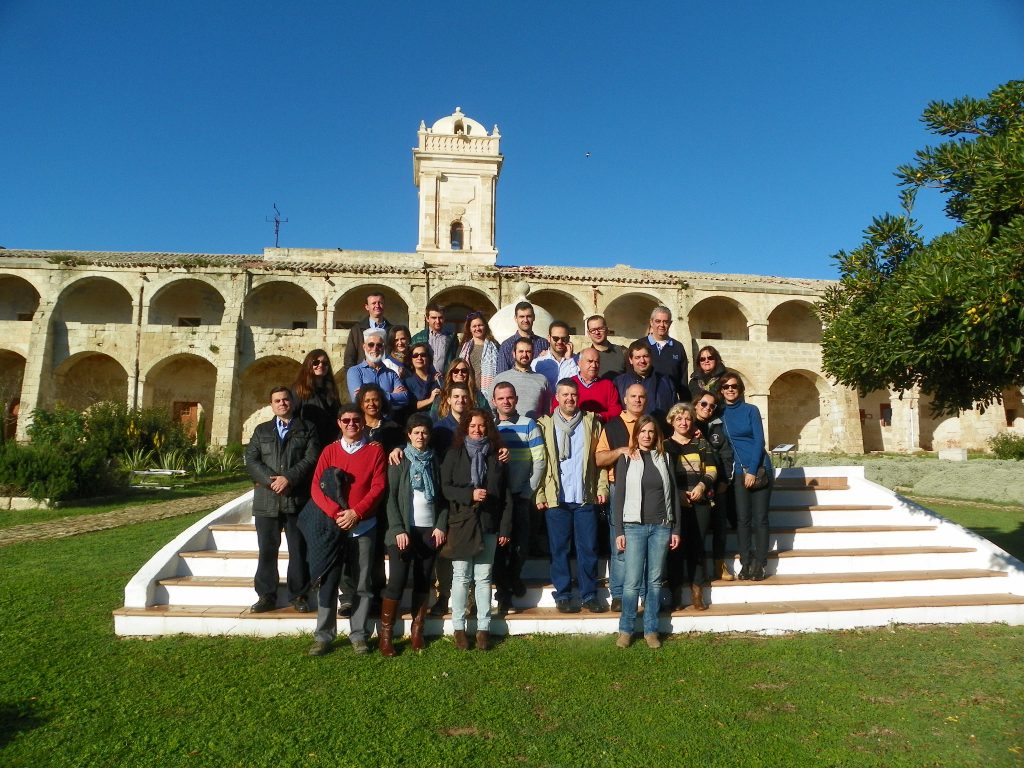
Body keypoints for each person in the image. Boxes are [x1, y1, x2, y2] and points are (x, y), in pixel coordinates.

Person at [303, 404, 387, 656]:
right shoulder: (329, 451)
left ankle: (359, 634)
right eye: (346, 420)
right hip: (333, 526)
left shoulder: (374, 452)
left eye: (356, 420)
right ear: (339, 423)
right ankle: (323, 635)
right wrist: (336, 513)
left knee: (362, 583)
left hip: (364, 526)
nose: (352, 424)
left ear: (364, 423)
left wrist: (356, 513)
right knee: (329, 582)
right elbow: (316, 487)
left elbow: (379, 486)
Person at [440, 408, 512, 651]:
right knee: (460, 576)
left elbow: (505, 494)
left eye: (481, 426)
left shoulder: (497, 456)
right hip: (461, 522)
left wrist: (504, 527)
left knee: (483, 578)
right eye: (472, 426)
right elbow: (445, 489)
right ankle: (458, 628)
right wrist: (469, 494)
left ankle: (483, 629)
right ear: (465, 429)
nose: (477, 430)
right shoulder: (454, 454)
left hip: (488, 522)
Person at [244, 386, 320, 614]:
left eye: (286, 400)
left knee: (298, 549)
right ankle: (266, 594)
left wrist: (288, 478)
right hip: (267, 501)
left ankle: (299, 594)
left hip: (296, 499)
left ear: (292, 402)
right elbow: (251, 459)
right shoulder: (261, 431)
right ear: (272, 405)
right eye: (277, 400)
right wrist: (272, 481)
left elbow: (311, 458)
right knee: (267, 549)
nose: (282, 404)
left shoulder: (307, 428)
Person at [536, 379, 609, 614]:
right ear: (557, 397)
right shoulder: (544, 425)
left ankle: (589, 595)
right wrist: (539, 493)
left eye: (573, 395)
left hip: (584, 496)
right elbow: (539, 463)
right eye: (565, 394)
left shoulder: (591, 423)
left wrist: (601, 488)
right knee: (559, 549)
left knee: (588, 548)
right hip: (556, 497)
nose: (570, 399)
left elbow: (599, 460)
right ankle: (564, 594)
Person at [379, 414, 447, 656]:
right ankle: (385, 637)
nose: (420, 436)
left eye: (424, 432)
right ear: (408, 435)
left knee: (423, 581)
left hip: (429, 531)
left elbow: (443, 499)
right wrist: (397, 529)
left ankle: (417, 632)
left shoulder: (435, 460)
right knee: (396, 581)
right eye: (416, 432)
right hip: (403, 532)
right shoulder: (398, 461)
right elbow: (391, 499)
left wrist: (440, 525)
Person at [612, 415, 680, 649]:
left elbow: (673, 495)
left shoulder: (666, 458)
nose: (647, 435)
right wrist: (619, 530)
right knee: (631, 582)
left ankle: (651, 630)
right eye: (643, 431)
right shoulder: (627, 459)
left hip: (661, 526)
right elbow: (619, 496)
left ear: (656, 435)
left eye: (651, 431)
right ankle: (626, 629)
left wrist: (675, 527)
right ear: (636, 434)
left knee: (654, 581)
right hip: (634, 526)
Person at [492, 382, 546, 615]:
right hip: (497, 499)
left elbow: (540, 461)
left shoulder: (528, 425)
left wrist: (528, 491)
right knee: (499, 549)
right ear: (494, 401)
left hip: (520, 495)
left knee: (521, 546)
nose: (505, 402)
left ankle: (513, 579)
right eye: (501, 398)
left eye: (509, 398)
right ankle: (505, 596)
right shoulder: (489, 427)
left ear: (515, 399)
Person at [595, 383, 648, 611]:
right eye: (633, 396)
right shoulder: (612, 426)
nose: (637, 400)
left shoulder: (651, 425)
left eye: (641, 397)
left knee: (645, 540)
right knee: (619, 540)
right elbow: (598, 459)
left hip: (647, 488)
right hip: (619, 487)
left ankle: (645, 594)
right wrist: (619, 452)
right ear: (625, 400)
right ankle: (618, 594)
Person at [719, 371, 773, 581]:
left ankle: (760, 563)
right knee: (742, 520)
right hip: (738, 472)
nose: (730, 389)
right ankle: (746, 563)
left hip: (759, 469)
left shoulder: (751, 410)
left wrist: (751, 470)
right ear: (721, 391)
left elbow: (759, 441)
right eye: (726, 387)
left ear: (740, 389)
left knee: (760, 519)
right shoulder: (720, 413)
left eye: (734, 386)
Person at [664, 402, 717, 611]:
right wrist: (677, 493)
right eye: (679, 419)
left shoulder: (702, 444)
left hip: (700, 501)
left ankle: (697, 592)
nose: (683, 422)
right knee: (675, 548)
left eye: (687, 418)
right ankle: (675, 594)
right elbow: (664, 475)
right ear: (672, 422)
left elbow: (712, 469)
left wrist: (702, 486)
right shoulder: (665, 446)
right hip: (676, 502)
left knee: (697, 547)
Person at [693, 388, 736, 580]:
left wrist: (725, 480)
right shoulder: (688, 424)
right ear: (696, 404)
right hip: (693, 485)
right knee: (696, 529)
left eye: (712, 405)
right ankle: (696, 570)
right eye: (704, 404)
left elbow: (726, 454)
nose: (707, 408)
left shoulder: (717, 427)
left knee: (720, 525)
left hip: (717, 483)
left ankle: (720, 564)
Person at [635, 305, 688, 403]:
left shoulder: (678, 347)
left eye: (665, 321)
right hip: (644, 403)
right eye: (658, 321)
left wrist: (686, 406)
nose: (662, 325)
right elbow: (630, 376)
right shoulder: (638, 345)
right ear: (651, 322)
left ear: (670, 323)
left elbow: (683, 382)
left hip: (670, 404)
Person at [614, 340, 675, 425]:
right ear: (631, 360)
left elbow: (674, 411)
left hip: (661, 432)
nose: (642, 361)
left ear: (651, 357)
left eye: (645, 356)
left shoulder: (665, 382)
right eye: (637, 357)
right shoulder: (619, 383)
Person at [490, 337, 551, 420]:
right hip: (506, 430)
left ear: (533, 354)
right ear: (514, 354)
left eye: (528, 352)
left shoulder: (542, 380)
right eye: (521, 351)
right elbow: (491, 409)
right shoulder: (500, 379)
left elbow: (547, 412)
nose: (524, 355)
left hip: (534, 430)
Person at [346, 328, 408, 408]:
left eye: (379, 345)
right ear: (364, 347)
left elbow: (405, 398)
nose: (375, 349)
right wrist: (391, 395)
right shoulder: (355, 371)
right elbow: (357, 399)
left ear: (384, 348)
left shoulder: (391, 373)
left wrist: (367, 395)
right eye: (371, 345)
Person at [555, 347, 621, 421]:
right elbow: (555, 408)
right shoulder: (568, 385)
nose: (594, 365)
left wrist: (599, 417)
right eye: (590, 361)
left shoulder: (608, 385)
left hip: (600, 428)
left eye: (597, 362)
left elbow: (616, 411)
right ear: (579, 363)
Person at [291, 349, 340, 447]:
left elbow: (338, 414)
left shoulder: (331, 389)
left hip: (330, 441)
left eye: (325, 363)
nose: (320, 365)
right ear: (309, 364)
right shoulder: (299, 389)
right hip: (309, 442)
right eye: (316, 362)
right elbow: (292, 415)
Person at [496, 300, 549, 374]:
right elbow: (502, 375)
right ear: (515, 318)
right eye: (522, 317)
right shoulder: (506, 346)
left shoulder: (544, 344)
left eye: (529, 316)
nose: (525, 320)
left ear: (533, 317)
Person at [344, 291, 391, 370]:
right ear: (367, 307)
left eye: (380, 303)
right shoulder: (356, 330)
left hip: (386, 376)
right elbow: (349, 359)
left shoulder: (392, 330)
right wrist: (352, 379)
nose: (377, 306)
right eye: (373, 303)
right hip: (364, 377)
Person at [457, 310, 500, 394]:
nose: (477, 328)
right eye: (474, 326)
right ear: (469, 328)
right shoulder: (463, 348)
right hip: (467, 391)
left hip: (487, 392)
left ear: (485, 326)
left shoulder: (495, 346)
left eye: (480, 325)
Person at [411, 302, 458, 375]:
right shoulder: (417, 338)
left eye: (440, 318)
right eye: (434, 318)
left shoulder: (452, 338)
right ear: (427, 318)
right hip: (423, 381)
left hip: (444, 381)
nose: (438, 321)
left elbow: (455, 360)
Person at [531, 320, 579, 390]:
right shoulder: (537, 362)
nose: (559, 342)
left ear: (568, 339)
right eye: (555, 338)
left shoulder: (576, 361)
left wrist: (570, 360)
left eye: (563, 339)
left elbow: (578, 384)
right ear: (549, 338)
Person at [402, 342, 443, 416]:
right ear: (411, 359)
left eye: (423, 355)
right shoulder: (408, 382)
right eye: (415, 355)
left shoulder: (438, 379)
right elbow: (411, 406)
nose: (419, 358)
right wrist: (430, 399)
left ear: (428, 358)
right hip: (418, 421)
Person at [584, 314, 627, 379]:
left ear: (607, 330)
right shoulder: (583, 356)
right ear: (588, 333)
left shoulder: (623, 352)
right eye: (593, 330)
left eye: (600, 329)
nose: (597, 332)